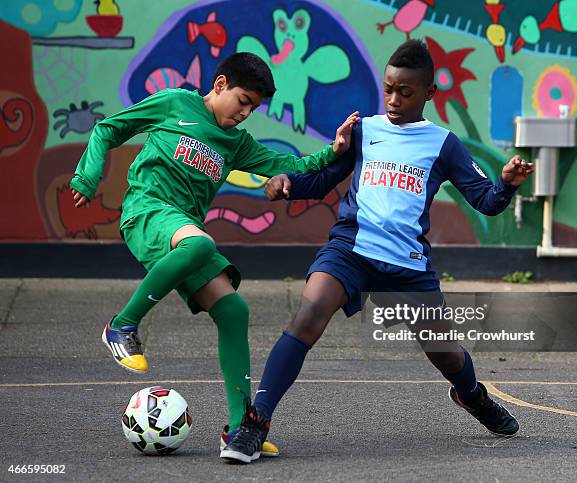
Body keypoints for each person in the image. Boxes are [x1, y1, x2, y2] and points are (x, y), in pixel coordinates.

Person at [221, 40, 534, 463]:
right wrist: (288, 184)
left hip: (406, 264)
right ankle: (255, 424)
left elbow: (487, 202)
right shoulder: (364, 130)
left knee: (442, 350)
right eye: (387, 89)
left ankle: (472, 396)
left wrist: (509, 182)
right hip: (350, 248)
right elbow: (323, 179)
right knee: (307, 316)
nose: (393, 99)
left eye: (405, 92)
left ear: (428, 93)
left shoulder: (442, 144)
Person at [70, 52, 358, 458]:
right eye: (243, 101)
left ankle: (241, 429)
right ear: (220, 85)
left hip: (183, 229)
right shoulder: (175, 103)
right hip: (147, 211)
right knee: (200, 243)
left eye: (254, 108)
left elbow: (291, 164)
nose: (245, 113)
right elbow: (108, 128)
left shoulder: (237, 144)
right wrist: (88, 174)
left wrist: (334, 150)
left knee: (234, 310)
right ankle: (121, 326)